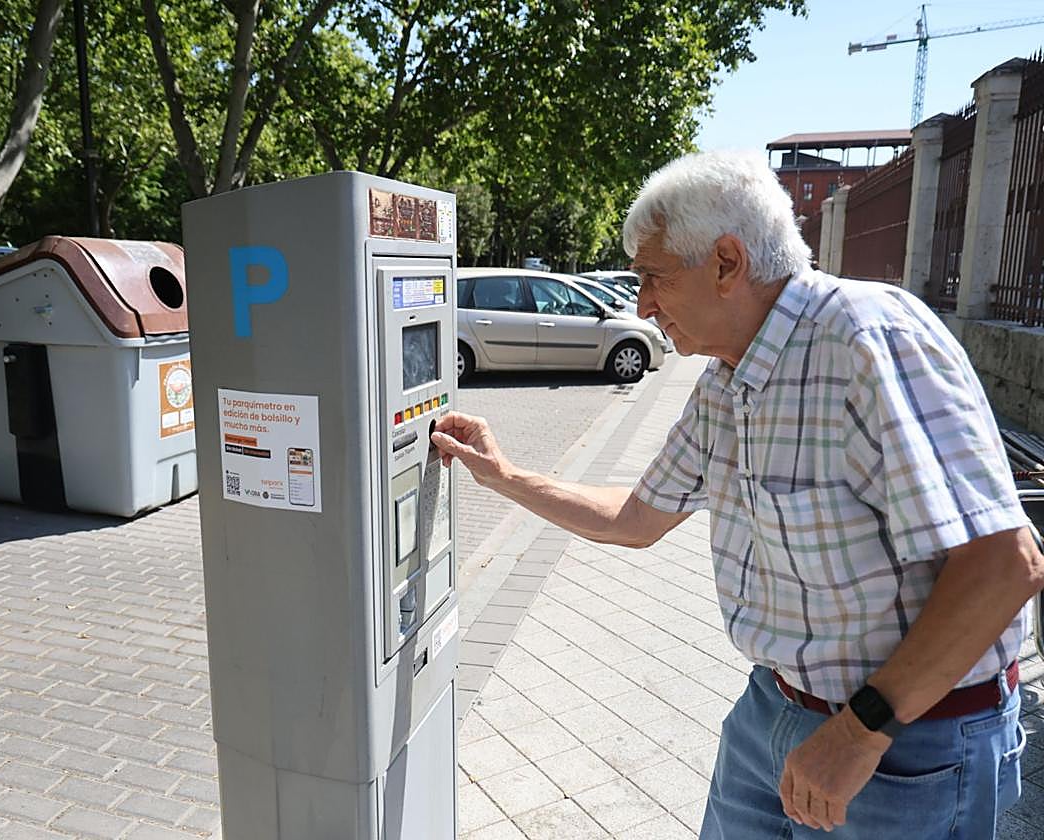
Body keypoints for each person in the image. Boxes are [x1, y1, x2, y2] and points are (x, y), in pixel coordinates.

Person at [431, 150, 1044, 839]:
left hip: (906, 740)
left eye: (653, 277)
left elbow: (1004, 565)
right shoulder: (728, 380)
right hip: (774, 710)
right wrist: (504, 476)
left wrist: (859, 732)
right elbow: (636, 520)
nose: (643, 306)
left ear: (727, 261)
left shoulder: (870, 342)